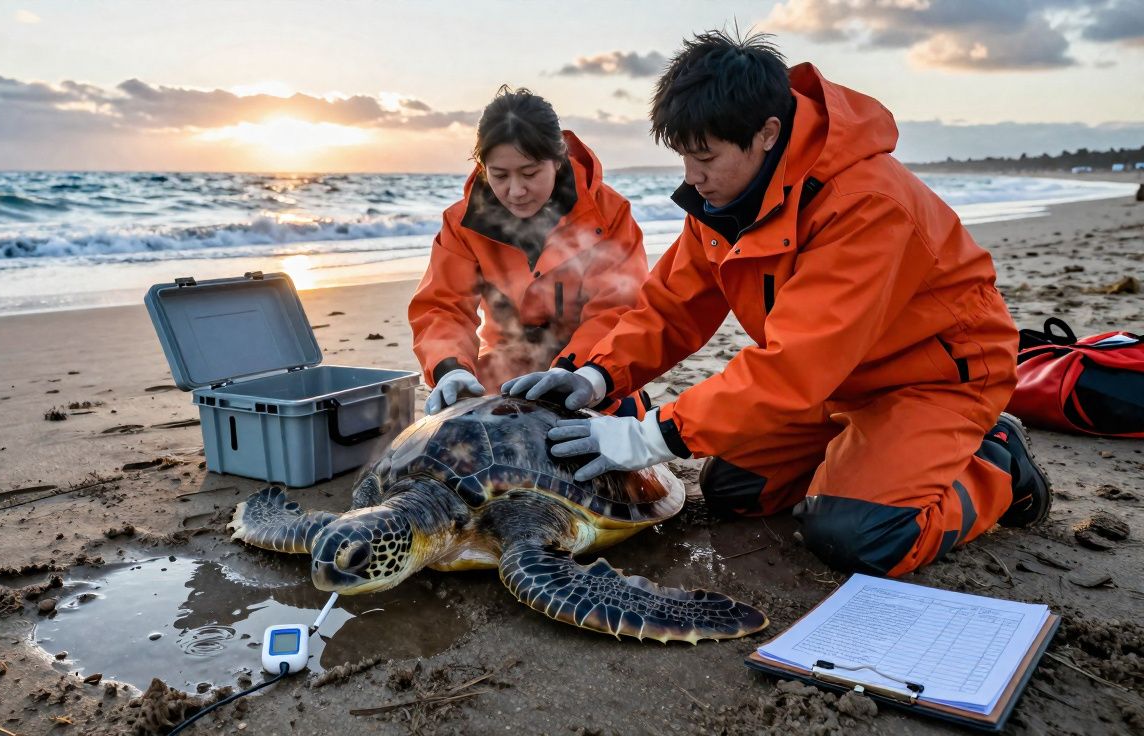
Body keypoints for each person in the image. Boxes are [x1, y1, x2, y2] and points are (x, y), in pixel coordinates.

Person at [503, 31, 1051, 578]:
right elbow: (670, 308)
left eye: (705, 156)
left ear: (766, 134)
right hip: (835, 385)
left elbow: (796, 365)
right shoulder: (723, 199)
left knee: (857, 536)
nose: (691, 177)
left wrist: (650, 436)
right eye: (684, 157)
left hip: (932, 380)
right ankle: (865, 452)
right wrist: (595, 375)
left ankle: (997, 460)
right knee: (734, 490)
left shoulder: (867, 204)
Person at [409, 86, 651, 416]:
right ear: (482, 167)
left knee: (617, 424)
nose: (516, 191)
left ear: (558, 159)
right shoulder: (461, 223)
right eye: (499, 175)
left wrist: (570, 371)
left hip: (585, 372)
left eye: (530, 173)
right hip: (501, 376)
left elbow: (619, 309)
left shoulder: (609, 215)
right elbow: (442, 307)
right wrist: (451, 369)